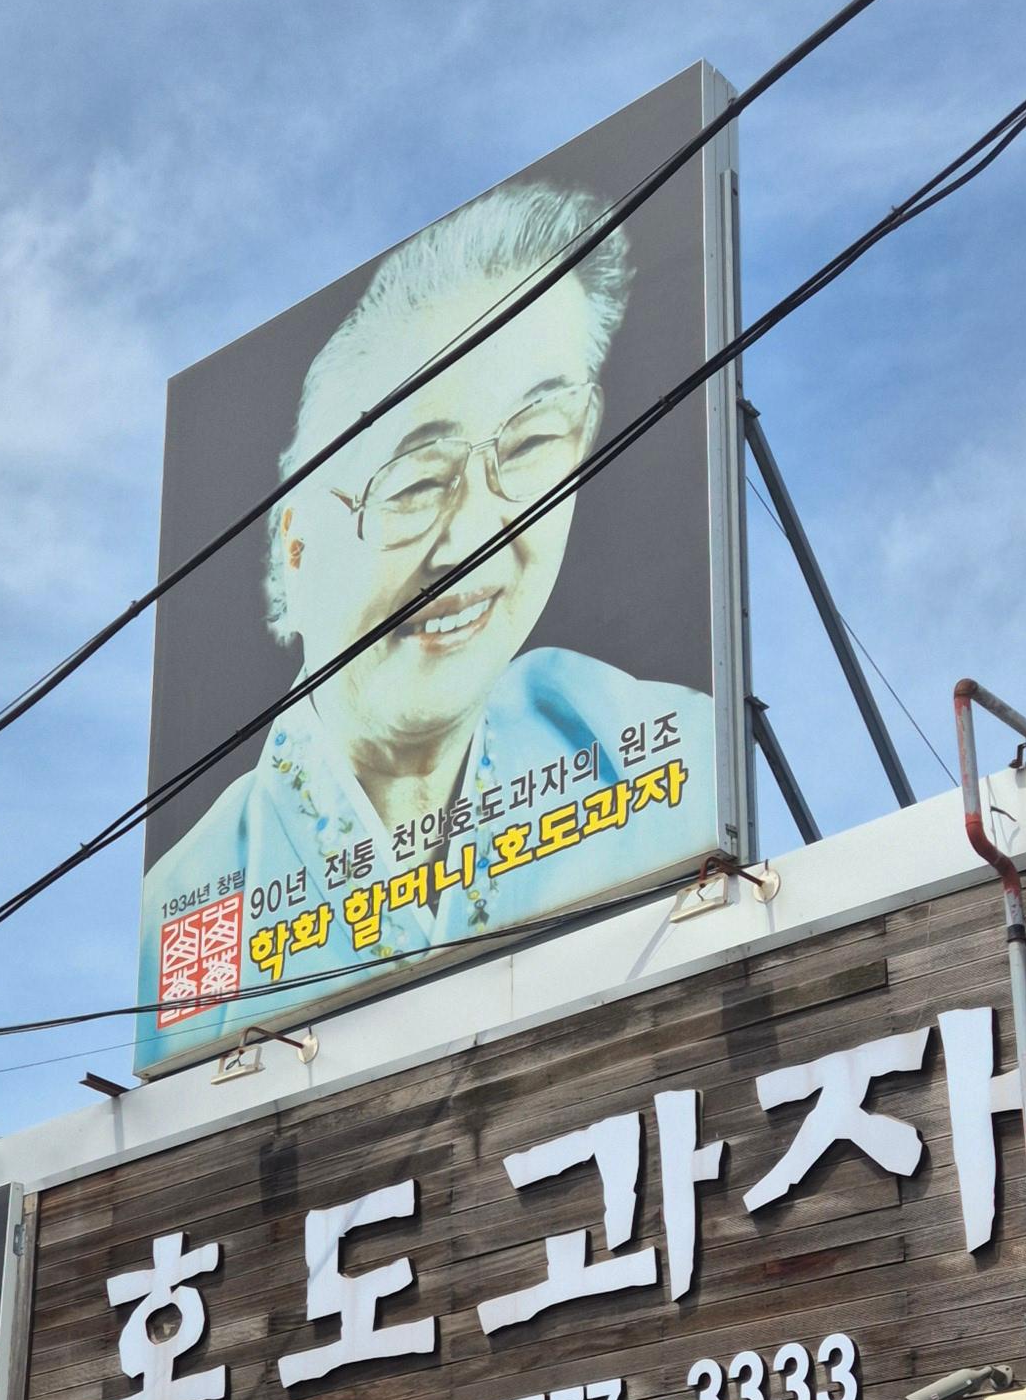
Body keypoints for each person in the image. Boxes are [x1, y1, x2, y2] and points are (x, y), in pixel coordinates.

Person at [143, 174, 715, 1054]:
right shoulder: (186, 922)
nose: (476, 538)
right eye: (413, 481)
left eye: (530, 444)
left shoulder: (664, 757)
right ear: (295, 548)